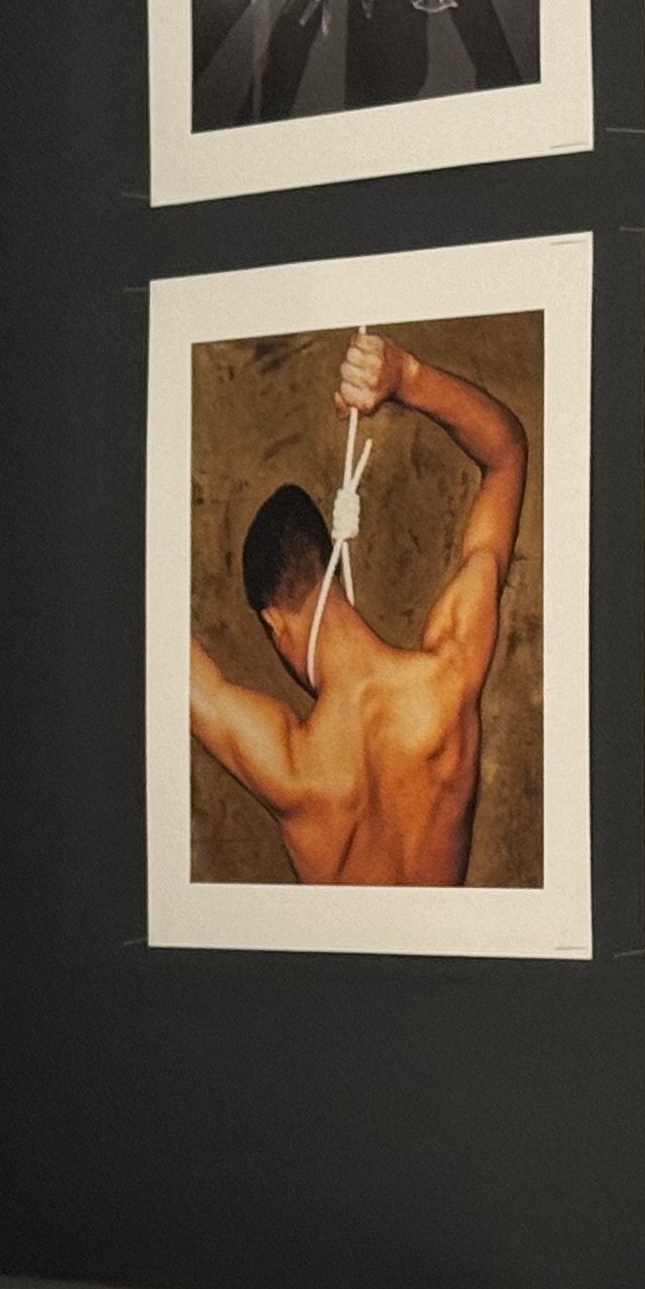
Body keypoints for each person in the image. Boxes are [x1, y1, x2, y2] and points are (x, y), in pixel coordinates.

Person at [189, 331, 527, 886]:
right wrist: (408, 377)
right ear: (335, 572)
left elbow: (165, 654)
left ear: (274, 622)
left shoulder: (292, 770)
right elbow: (506, 455)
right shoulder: (448, 677)